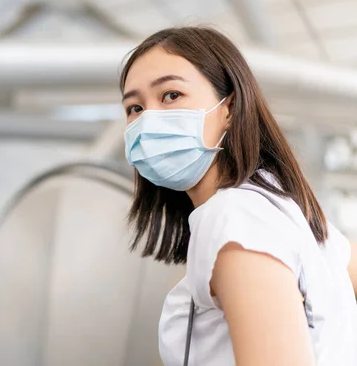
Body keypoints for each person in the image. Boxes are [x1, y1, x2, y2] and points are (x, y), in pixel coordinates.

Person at [121, 26, 357, 365]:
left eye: (171, 95)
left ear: (229, 108)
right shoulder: (276, 206)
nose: (148, 120)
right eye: (134, 108)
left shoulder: (235, 220)